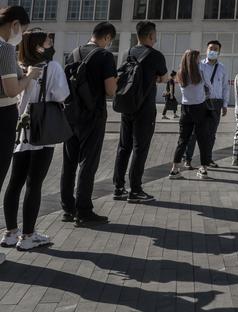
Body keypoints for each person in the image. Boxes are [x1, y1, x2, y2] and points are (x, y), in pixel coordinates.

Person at [2, 29, 69, 251]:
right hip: (42, 130)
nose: (51, 43)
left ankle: (11, 232)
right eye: (48, 41)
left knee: (15, 182)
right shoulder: (52, 67)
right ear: (40, 46)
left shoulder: (18, 65)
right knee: (34, 183)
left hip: (20, 128)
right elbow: (61, 95)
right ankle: (28, 235)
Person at [60, 22, 117, 226]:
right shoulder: (104, 56)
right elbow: (110, 90)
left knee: (69, 163)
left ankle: (68, 208)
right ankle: (84, 211)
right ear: (107, 37)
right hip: (93, 116)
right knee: (88, 163)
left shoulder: (73, 53)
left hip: (71, 115)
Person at [113, 21, 168, 203]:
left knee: (124, 146)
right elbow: (164, 78)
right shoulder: (156, 55)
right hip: (144, 109)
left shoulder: (127, 53)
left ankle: (118, 187)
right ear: (151, 36)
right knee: (140, 148)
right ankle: (135, 190)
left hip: (127, 105)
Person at [0, 7, 39, 263]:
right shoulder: (3, 49)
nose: (21, 35)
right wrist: (29, 76)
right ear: (14, 24)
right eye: (22, 30)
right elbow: (11, 88)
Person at [169, 50, 215, 179]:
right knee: (202, 139)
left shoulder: (180, 73)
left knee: (183, 139)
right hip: (200, 108)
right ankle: (203, 169)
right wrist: (205, 94)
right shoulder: (200, 72)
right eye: (198, 58)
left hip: (185, 108)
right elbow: (210, 87)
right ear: (195, 59)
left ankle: (175, 169)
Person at [183, 41, 229, 169]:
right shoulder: (199, 65)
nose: (212, 51)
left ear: (219, 52)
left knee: (211, 133)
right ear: (206, 50)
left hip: (216, 102)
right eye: (210, 48)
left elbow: (225, 87)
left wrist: (225, 104)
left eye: (215, 49)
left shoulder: (222, 68)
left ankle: (208, 158)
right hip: (200, 102)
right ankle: (188, 159)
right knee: (194, 132)